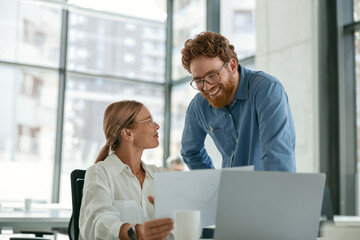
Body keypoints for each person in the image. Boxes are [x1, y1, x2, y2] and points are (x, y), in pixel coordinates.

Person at [180, 31, 296, 172]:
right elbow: (190, 152)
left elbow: (277, 156)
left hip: (269, 188)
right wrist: (214, 185)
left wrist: (270, 193)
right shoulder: (198, 107)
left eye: (212, 75)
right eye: (199, 80)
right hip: (229, 192)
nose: (207, 86)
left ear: (232, 66)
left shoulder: (266, 89)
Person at [79, 100, 174, 240]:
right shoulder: (100, 173)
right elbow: (97, 223)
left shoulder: (161, 175)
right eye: (149, 121)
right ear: (127, 134)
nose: (157, 126)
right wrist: (135, 233)